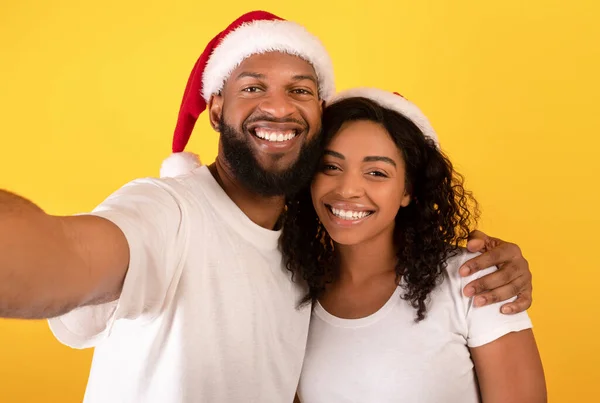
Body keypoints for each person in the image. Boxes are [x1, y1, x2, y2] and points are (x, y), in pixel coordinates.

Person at [0, 10, 532, 403]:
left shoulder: (302, 266)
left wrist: (502, 265)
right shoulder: (168, 212)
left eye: (299, 90)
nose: (278, 105)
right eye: (253, 86)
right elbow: (61, 253)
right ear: (215, 108)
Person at [281, 88, 546, 403]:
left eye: (376, 172)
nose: (348, 189)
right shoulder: (293, 290)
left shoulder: (473, 280)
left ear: (408, 191)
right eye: (331, 167)